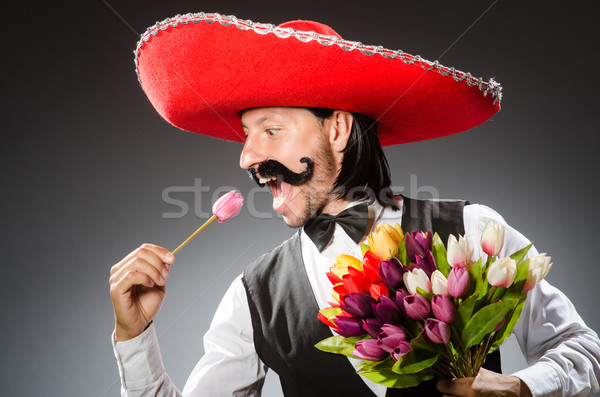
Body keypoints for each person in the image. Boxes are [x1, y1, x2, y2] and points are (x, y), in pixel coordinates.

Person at [110, 12, 600, 397]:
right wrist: (135, 338)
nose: (247, 157)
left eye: (271, 131)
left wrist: (525, 386)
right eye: (245, 136)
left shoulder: (473, 230)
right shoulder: (252, 297)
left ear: (338, 130)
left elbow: (583, 350)